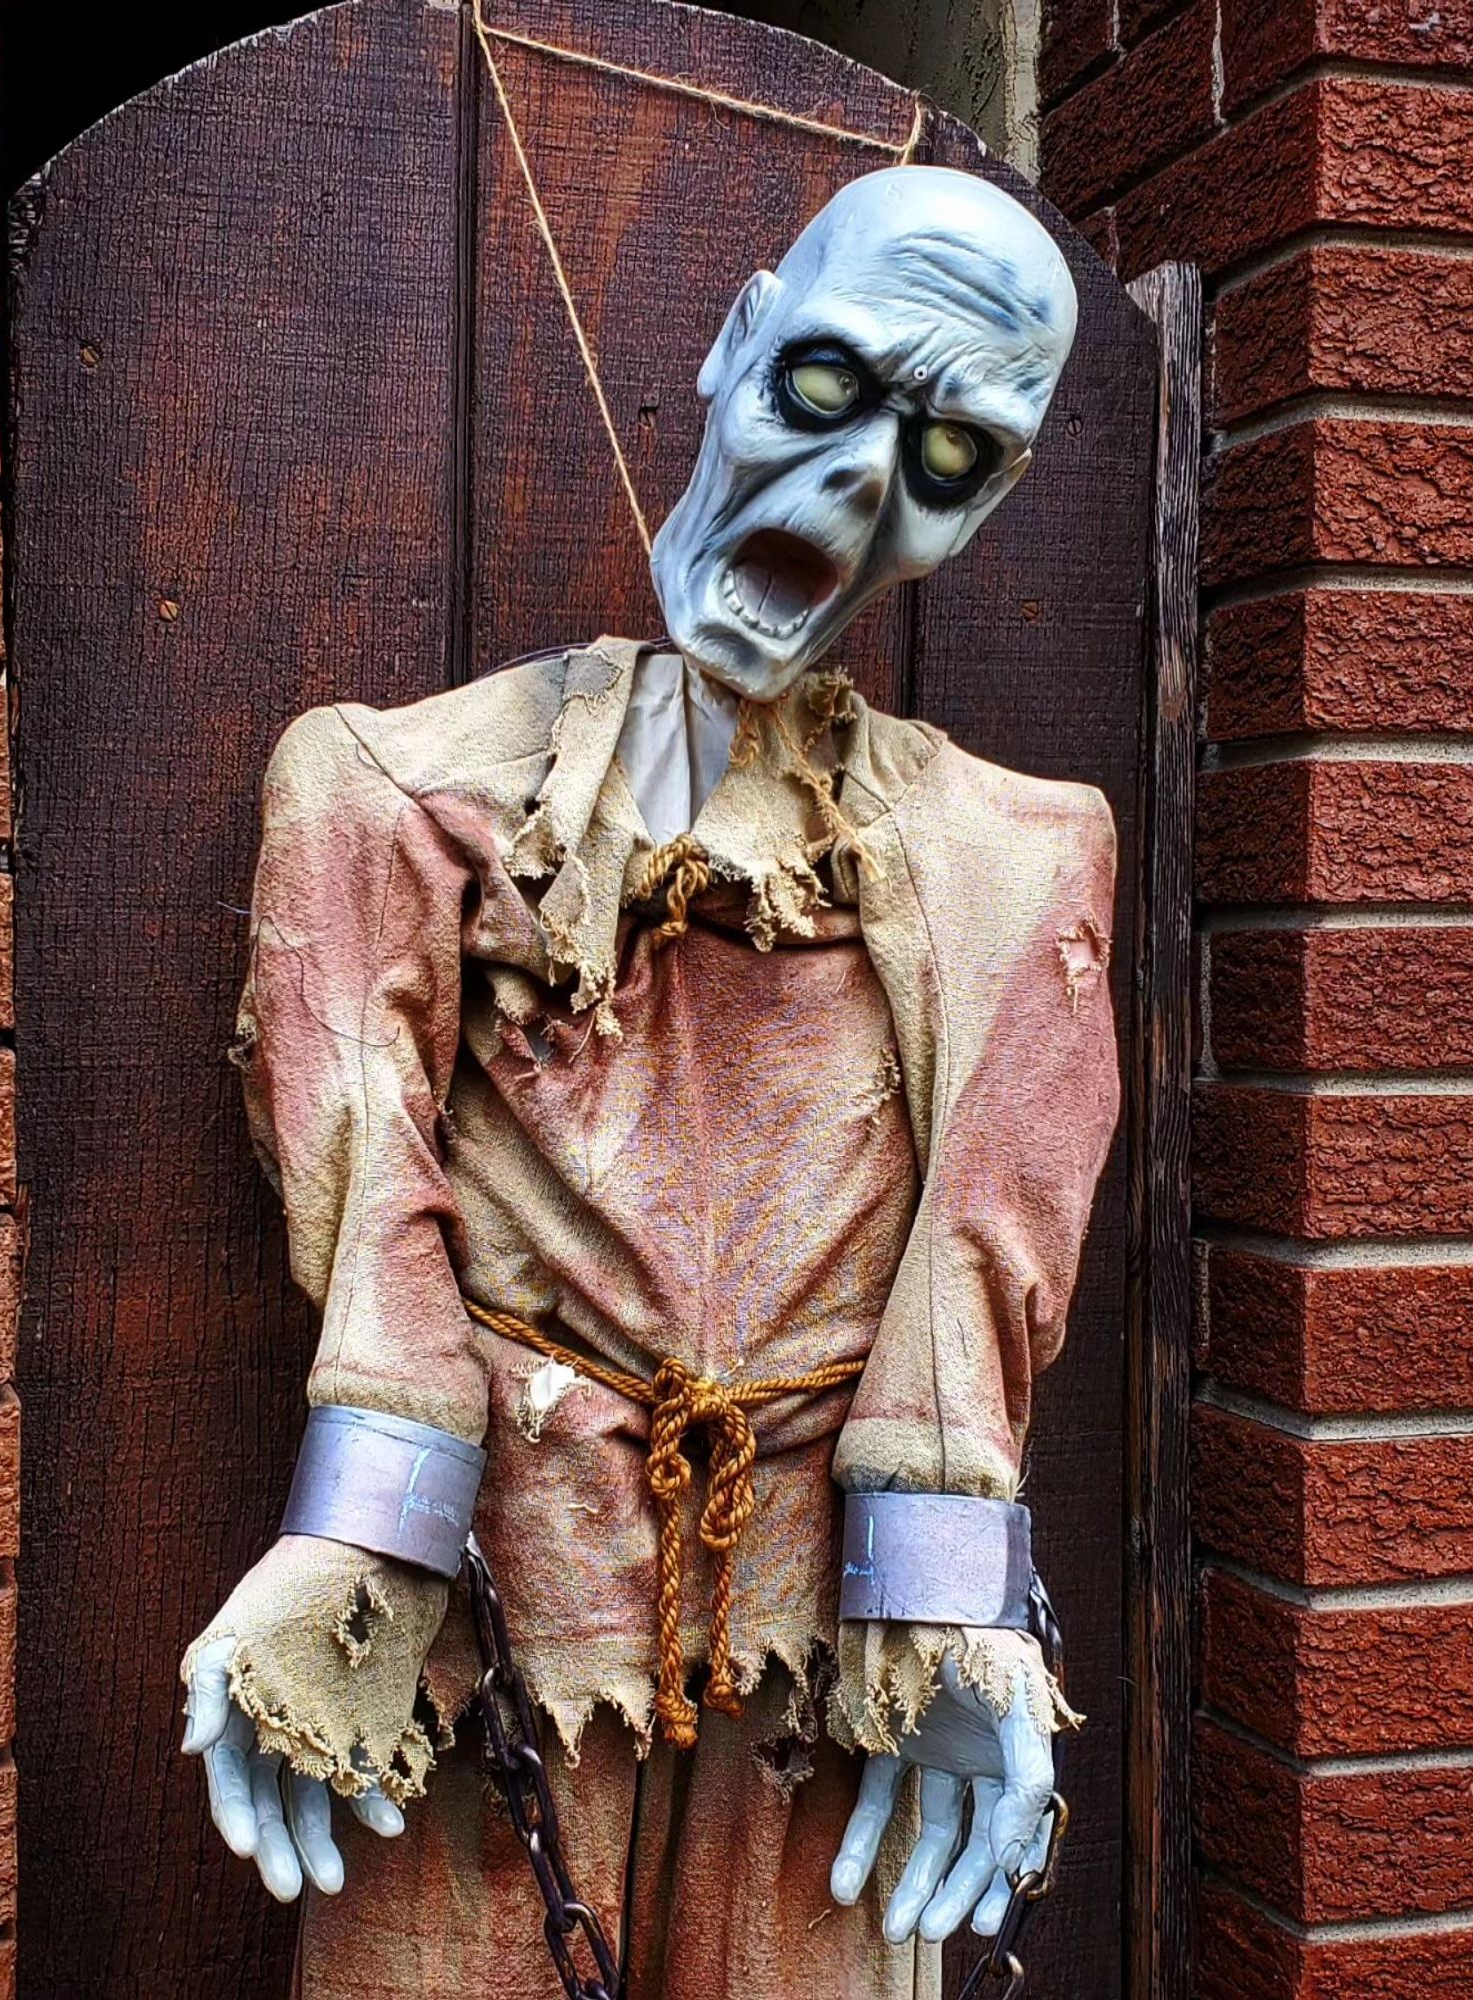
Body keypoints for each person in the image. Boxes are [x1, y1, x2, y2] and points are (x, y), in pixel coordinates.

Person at [180, 165, 1119, 1999]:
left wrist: (949, 1605)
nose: (853, 488)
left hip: (815, 1674)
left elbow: (984, 1254)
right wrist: (352, 1543)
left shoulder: (1014, 862)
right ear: (736, 339)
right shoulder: (395, 795)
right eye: (834, 391)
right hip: (491, 1632)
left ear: (990, 500)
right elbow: (368, 1195)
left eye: (945, 458)